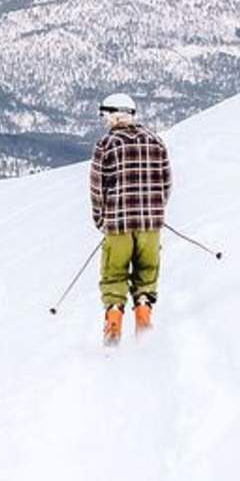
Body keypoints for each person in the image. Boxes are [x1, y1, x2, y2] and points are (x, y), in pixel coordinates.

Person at [89, 92, 171, 345]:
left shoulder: (106, 145)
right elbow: (166, 183)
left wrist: (100, 219)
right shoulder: (155, 141)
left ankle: (113, 321)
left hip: (118, 224)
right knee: (147, 273)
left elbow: (97, 187)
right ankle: (144, 316)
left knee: (114, 275)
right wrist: (155, 209)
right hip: (151, 225)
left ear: (112, 115)